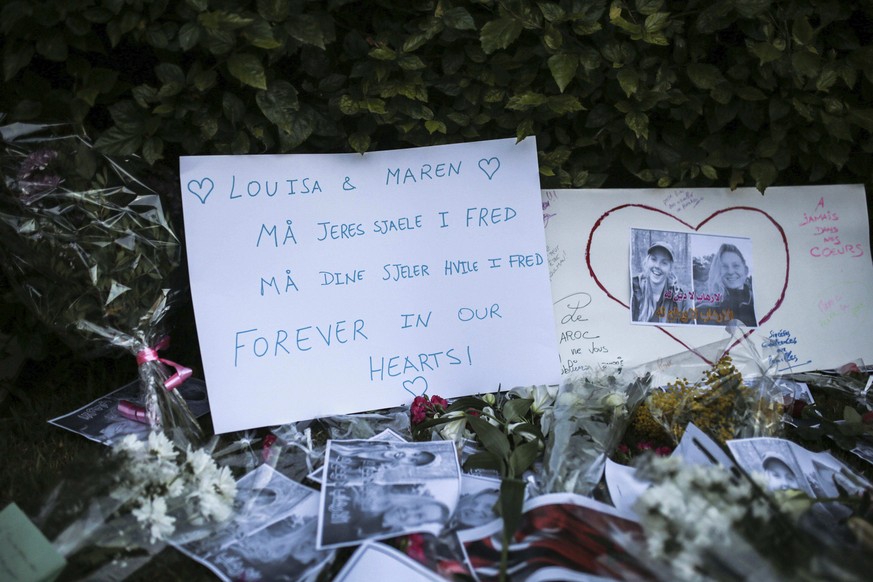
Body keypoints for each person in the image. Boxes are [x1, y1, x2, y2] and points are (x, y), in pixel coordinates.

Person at [630, 240, 693, 324]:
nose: (657, 266)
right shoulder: (633, 289)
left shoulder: (680, 299)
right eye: (654, 259)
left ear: (670, 268)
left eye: (664, 262)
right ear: (647, 261)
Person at [698, 243, 757, 327]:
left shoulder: (757, 305)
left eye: (736, 266)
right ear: (717, 271)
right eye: (724, 267)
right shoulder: (703, 310)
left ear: (746, 270)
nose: (730, 271)